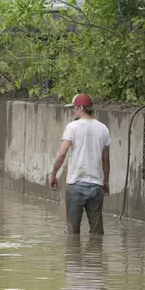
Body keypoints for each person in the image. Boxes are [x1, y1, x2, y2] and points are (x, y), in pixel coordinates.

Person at [49, 94, 110, 235]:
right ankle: (95, 256)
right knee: (97, 232)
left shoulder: (72, 127)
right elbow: (106, 158)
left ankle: (73, 255)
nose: (73, 111)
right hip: (96, 185)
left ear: (81, 108)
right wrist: (105, 181)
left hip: (75, 185)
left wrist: (53, 175)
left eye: (74, 108)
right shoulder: (103, 129)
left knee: (72, 233)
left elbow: (62, 154)